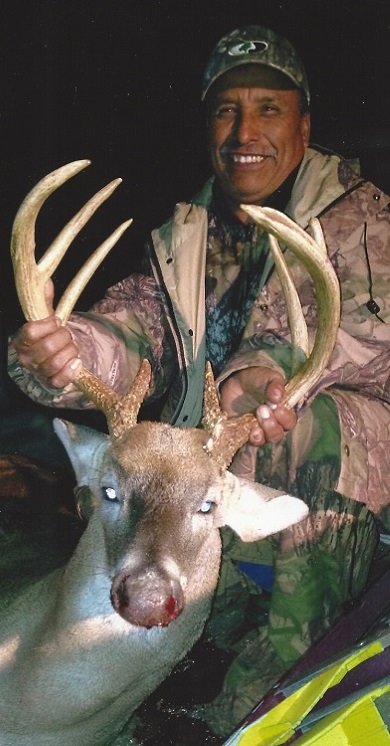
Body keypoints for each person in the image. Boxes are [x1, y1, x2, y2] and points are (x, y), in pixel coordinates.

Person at [8, 25, 390, 736]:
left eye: (268, 108)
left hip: (353, 457)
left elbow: (354, 333)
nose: (245, 130)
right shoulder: (184, 237)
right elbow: (132, 327)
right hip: (222, 470)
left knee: (311, 427)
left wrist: (261, 376)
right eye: (226, 110)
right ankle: (209, 625)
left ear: (304, 124)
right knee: (156, 462)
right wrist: (71, 350)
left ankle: (280, 675)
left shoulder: (363, 219)